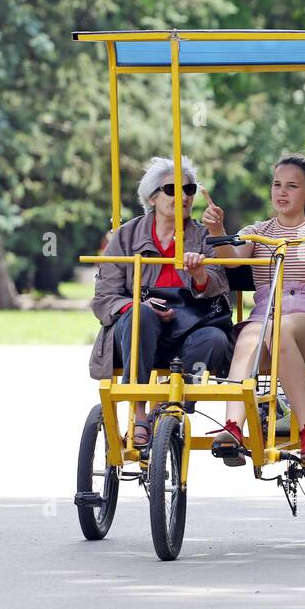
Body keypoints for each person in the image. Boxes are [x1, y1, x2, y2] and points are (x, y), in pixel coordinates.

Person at [209, 153, 305, 461]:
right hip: (265, 316)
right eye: (276, 185)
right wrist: (217, 230)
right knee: (248, 338)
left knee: (277, 331)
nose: (281, 192)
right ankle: (233, 427)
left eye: (291, 186)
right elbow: (232, 259)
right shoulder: (258, 232)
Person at [88, 156, 233, 446]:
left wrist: (200, 274)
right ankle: (139, 413)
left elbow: (221, 286)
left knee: (215, 339)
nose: (183, 196)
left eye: (189, 190)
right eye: (172, 190)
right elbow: (104, 299)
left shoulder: (205, 237)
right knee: (142, 316)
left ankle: (162, 409)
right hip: (138, 331)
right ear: (152, 197)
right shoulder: (126, 236)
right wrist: (136, 307)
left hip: (191, 330)